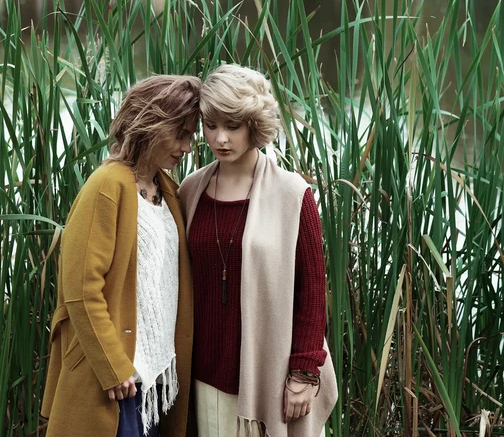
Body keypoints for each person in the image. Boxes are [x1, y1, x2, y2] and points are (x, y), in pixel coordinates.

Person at [180, 64, 338, 437]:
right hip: (203, 376)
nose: (220, 138)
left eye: (233, 126)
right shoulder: (190, 191)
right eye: (211, 125)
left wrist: (303, 372)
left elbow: (313, 291)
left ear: (254, 124)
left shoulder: (292, 194)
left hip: (269, 375)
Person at [41, 75, 201, 437]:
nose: (187, 146)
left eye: (191, 135)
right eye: (180, 133)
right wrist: (113, 367)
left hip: (157, 381)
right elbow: (81, 290)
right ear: (150, 123)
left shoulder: (168, 190)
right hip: (119, 380)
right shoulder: (107, 186)